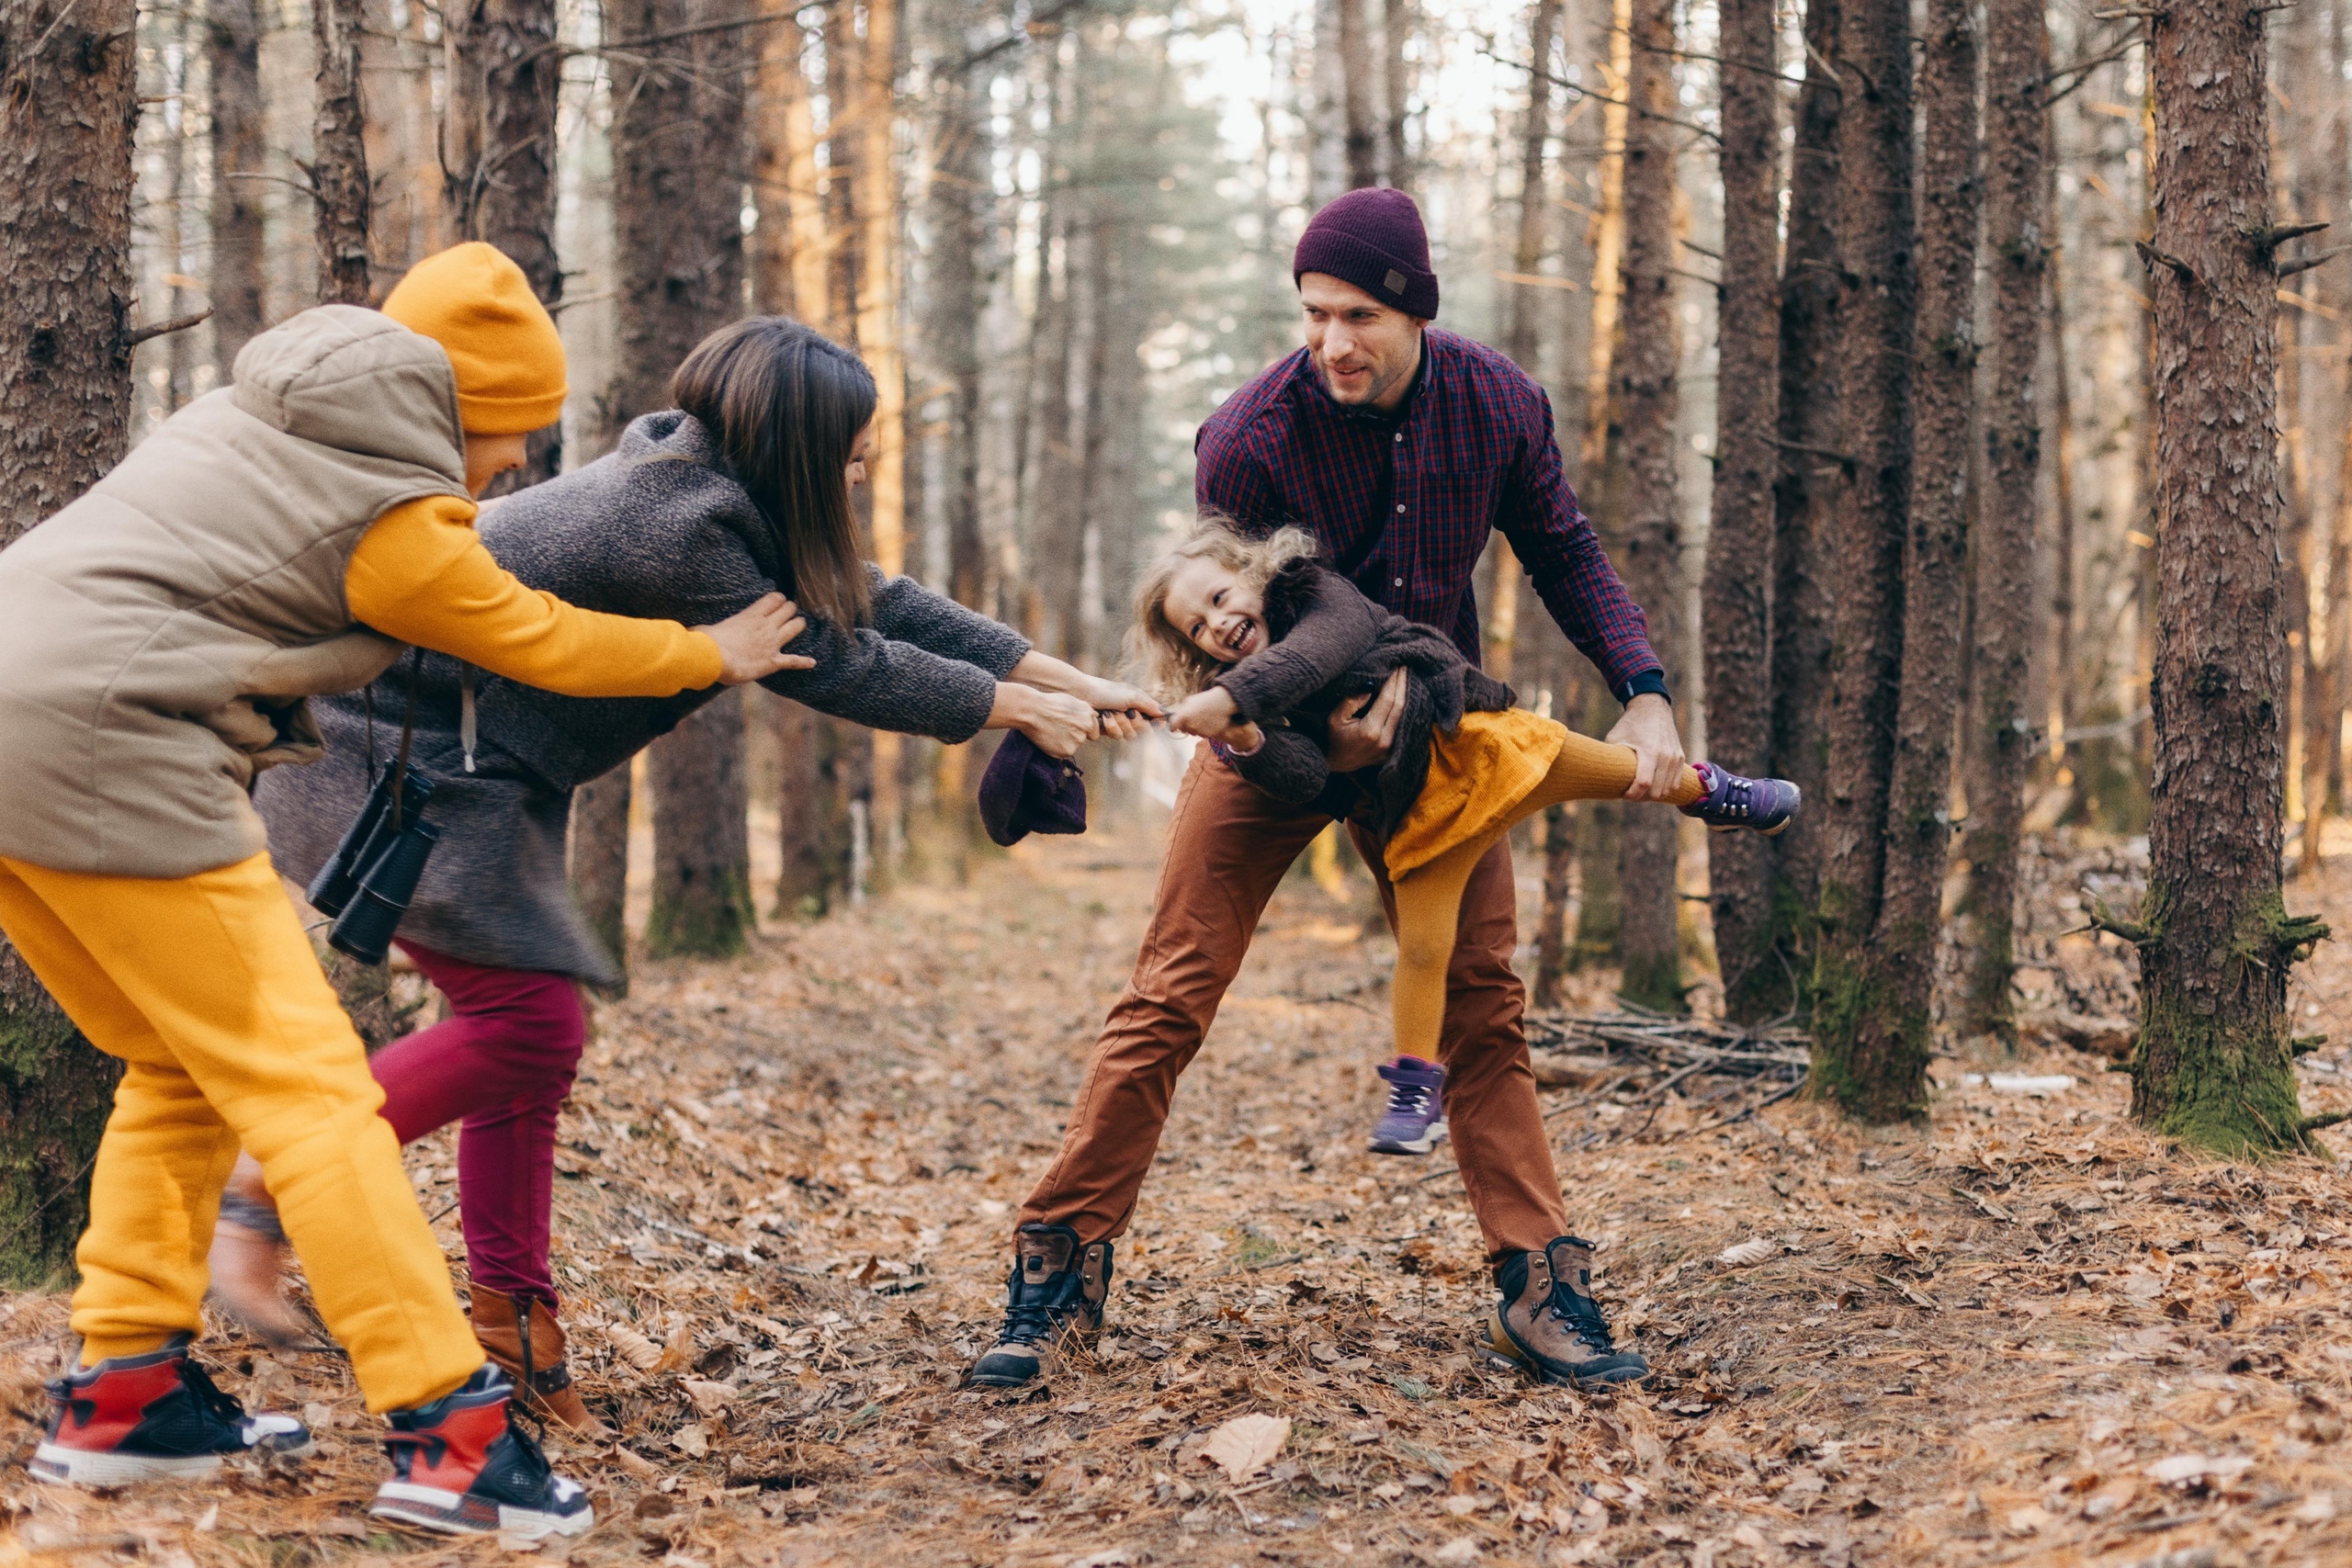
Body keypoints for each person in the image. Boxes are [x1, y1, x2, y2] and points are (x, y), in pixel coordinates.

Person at [209, 316, 1162, 1431]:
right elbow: (838, 660)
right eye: (852, 446)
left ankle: (513, 1325)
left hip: (480, 767)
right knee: (530, 1029)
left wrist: (1075, 681)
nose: (863, 466)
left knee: (529, 1049)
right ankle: (277, 1176)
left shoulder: (710, 490)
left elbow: (878, 599)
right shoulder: (672, 528)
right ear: (796, 444)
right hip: (399, 758)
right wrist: (1010, 706)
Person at [0, 243, 807, 1537]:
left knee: (178, 1061)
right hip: (116, 745)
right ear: (464, 407)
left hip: (17, 726)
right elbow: (531, 631)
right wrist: (703, 647)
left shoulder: (257, 418)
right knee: (315, 1092)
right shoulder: (391, 510)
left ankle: (125, 1391)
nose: (510, 469)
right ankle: (451, 1431)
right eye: (508, 438)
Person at [971, 186, 1694, 1394]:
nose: (1332, 343)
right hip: (1271, 733)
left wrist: (1646, 685)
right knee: (1172, 985)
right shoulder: (1251, 434)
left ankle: (1536, 1278)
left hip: (1432, 742)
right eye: (1313, 314)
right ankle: (1060, 1261)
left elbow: (1562, 546)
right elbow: (1216, 620)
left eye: (1359, 314)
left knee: (1479, 995)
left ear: (1416, 308)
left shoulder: (1498, 403)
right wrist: (1289, 718)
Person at [1137, 520, 1797, 1157]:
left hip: (1479, 742)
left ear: (1254, 573)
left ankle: (1711, 792)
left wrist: (1232, 697)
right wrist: (1247, 736)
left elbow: (1327, 644)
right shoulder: (1253, 704)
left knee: (1620, 770)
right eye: (1198, 627)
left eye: (1220, 598)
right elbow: (1306, 775)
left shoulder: (1310, 591)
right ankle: (1414, 1090)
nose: (1218, 623)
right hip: (1419, 811)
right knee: (1425, 949)